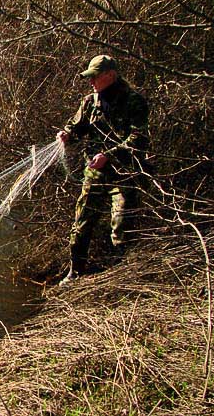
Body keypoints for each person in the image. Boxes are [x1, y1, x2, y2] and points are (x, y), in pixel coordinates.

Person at [56, 54, 149, 285]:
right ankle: (75, 271)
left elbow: (139, 137)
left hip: (124, 174)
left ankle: (122, 274)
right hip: (95, 174)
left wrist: (109, 155)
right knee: (82, 223)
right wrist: (67, 135)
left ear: (110, 75)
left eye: (95, 77)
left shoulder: (133, 101)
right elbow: (77, 127)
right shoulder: (90, 101)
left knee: (122, 224)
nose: (91, 82)